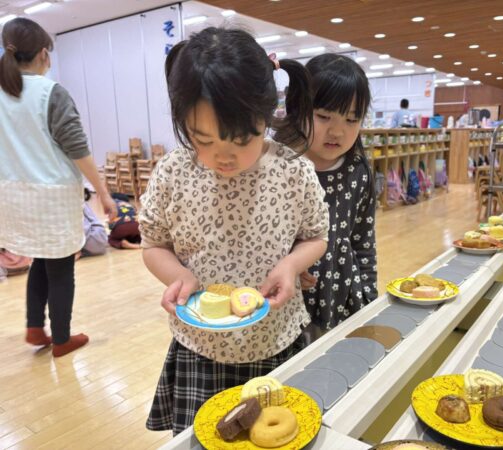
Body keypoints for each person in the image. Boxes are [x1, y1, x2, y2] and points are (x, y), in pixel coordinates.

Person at [139, 27, 329, 434]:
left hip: (275, 339)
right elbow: (153, 243)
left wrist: (291, 265)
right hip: (200, 348)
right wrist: (178, 275)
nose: (222, 156)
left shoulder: (292, 171)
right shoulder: (174, 171)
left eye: (241, 140)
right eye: (202, 139)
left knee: (278, 437)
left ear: (267, 115)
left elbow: (316, 236)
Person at [0, 18, 117, 357]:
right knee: (62, 267)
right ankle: (62, 339)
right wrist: (103, 192)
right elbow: (77, 148)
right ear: (43, 54)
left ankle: (35, 327)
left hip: (14, 196)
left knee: (41, 258)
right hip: (51, 197)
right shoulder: (50, 92)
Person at [291, 53, 377, 337]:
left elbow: (363, 242)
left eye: (352, 119)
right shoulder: (281, 167)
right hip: (286, 301)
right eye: (324, 116)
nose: (337, 131)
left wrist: (370, 298)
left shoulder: (358, 171)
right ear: (298, 108)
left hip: (341, 297)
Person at [80, 188, 108, 257]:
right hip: (99, 238)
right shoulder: (83, 204)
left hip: (93, 238)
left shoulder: (79, 205)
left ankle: (79, 252)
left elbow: (84, 228)